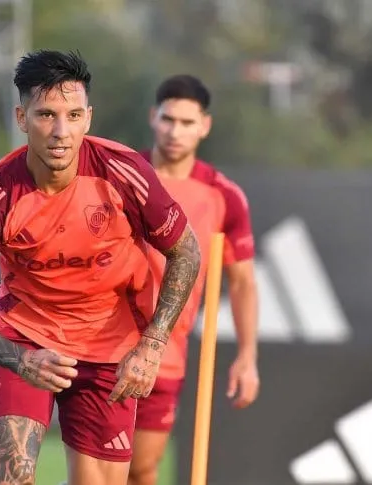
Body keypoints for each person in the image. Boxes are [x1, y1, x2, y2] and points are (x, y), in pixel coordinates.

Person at [0, 50, 202, 485]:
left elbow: (187, 251)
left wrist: (153, 344)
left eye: (73, 115)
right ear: (22, 118)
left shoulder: (124, 172)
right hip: (24, 338)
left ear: (88, 118)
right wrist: (21, 360)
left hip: (110, 345)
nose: (61, 132)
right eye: (46, 115)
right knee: (11, 477)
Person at [128, 75, 261, 485]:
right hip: (104, 341)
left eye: (187, 123)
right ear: (153, 117)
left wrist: (247, 356)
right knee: (100, 473)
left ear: (205, 126)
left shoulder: (223, 195)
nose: (175, 132)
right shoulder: (123, 176)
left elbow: (242, 282)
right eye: (168, 119)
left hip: (167, 349)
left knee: (141, 468)